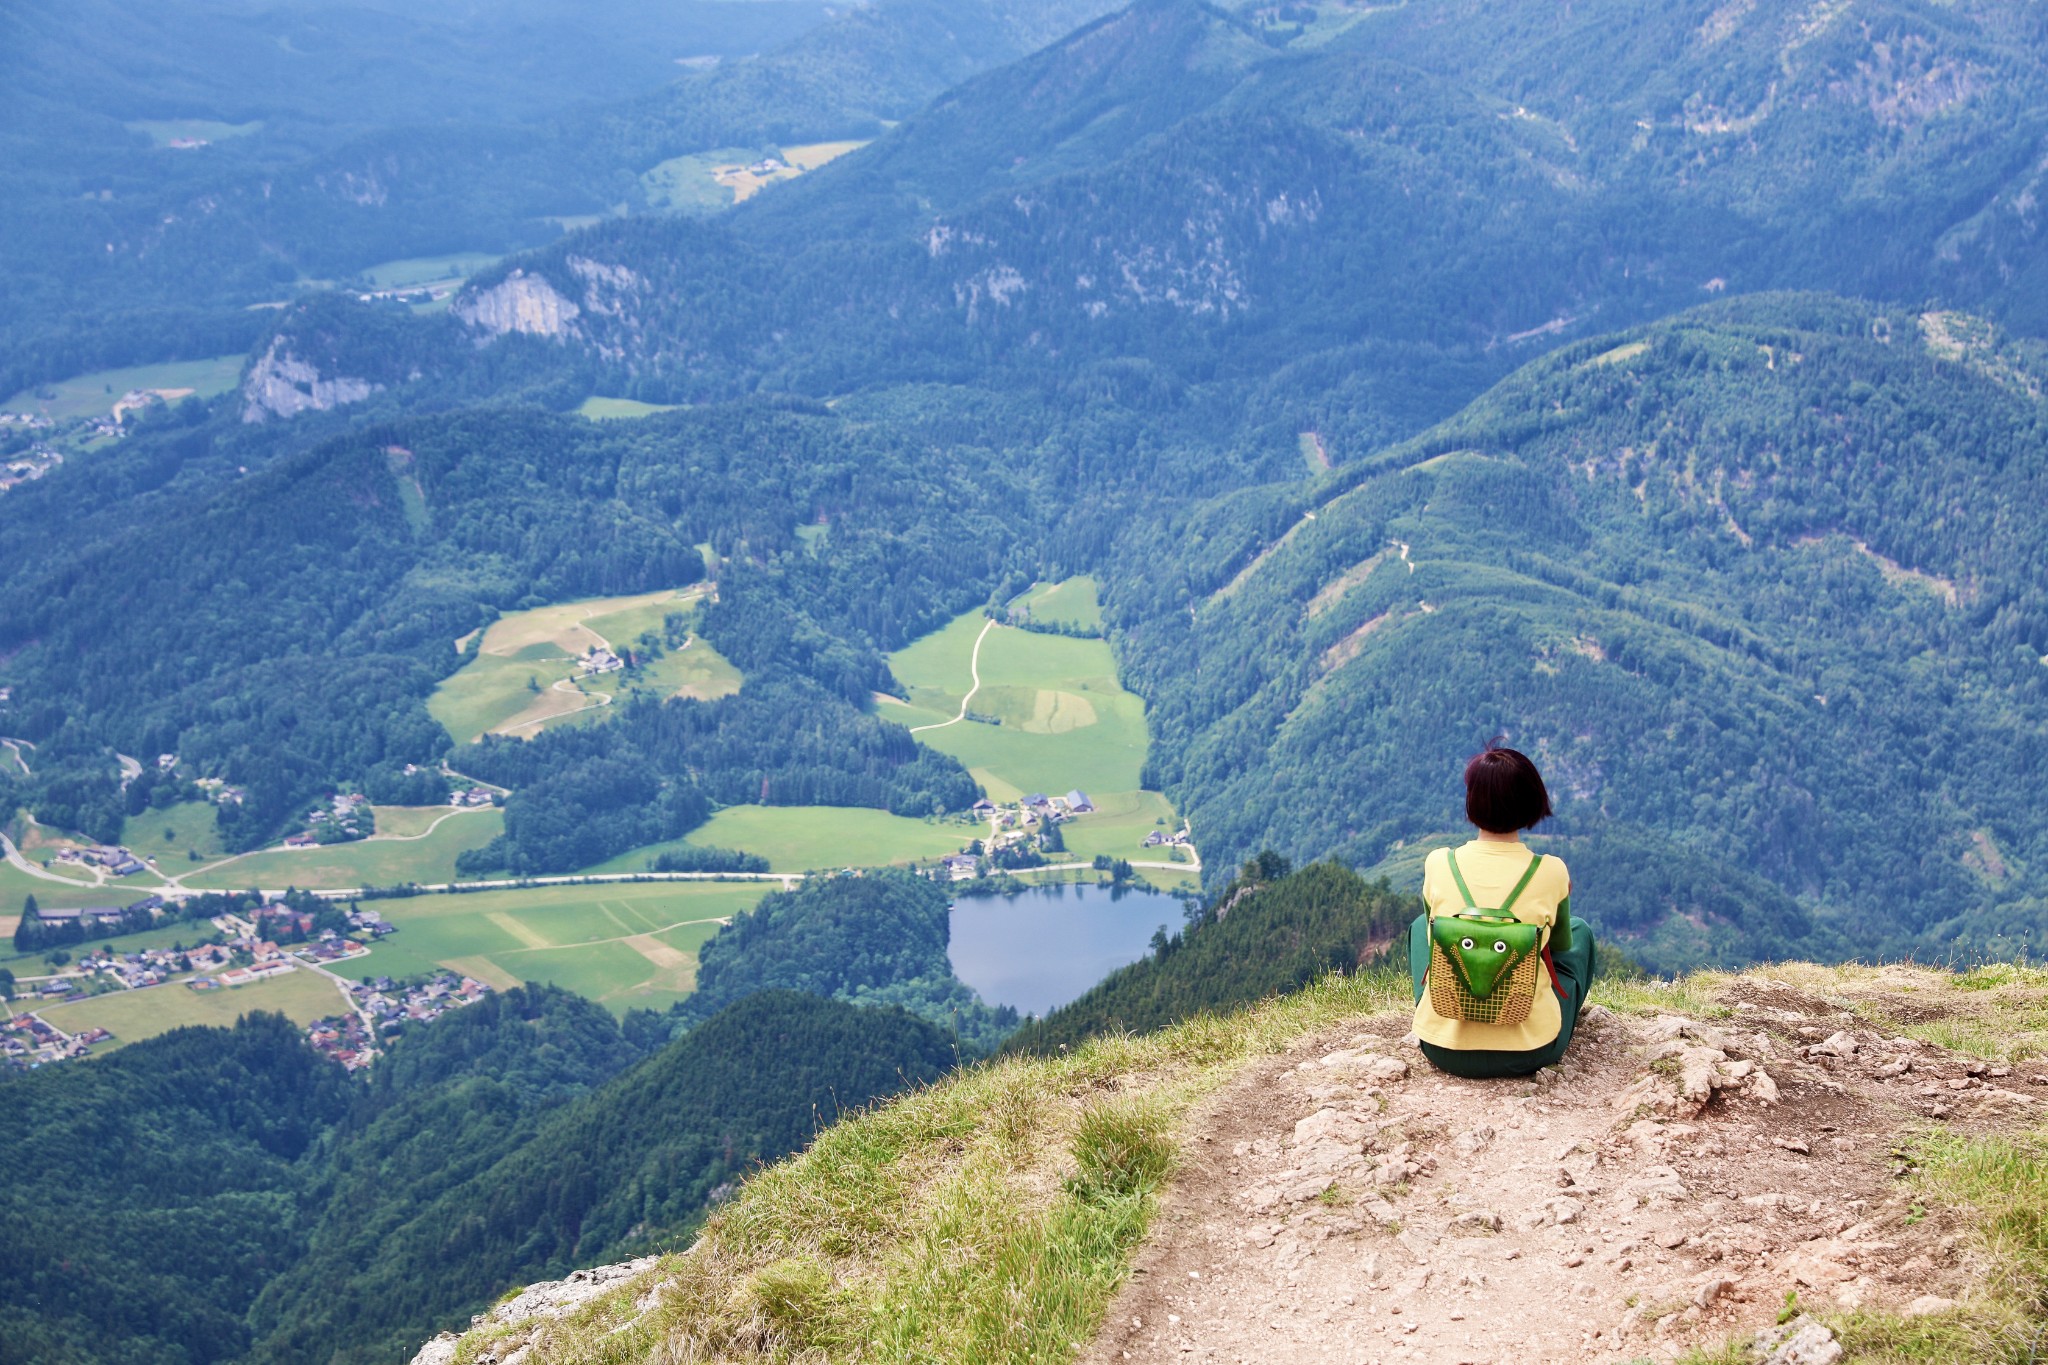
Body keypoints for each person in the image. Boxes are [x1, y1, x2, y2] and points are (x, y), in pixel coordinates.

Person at [1408, 741, 1595, 1078]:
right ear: (1532, 803)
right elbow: (1561, 949)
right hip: (1530, 1051)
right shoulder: (1551, 871)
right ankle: (1544, 1012)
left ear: (1471, 803)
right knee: (1579, 932)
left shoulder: (1438, 863)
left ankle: (1437, 1009)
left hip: (1441, 1047)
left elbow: (1433, 945)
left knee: (1425, 926)